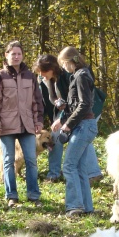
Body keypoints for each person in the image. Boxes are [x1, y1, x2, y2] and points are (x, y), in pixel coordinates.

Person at [0, 40, 44, 208]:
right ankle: (12, 196)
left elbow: (37, 101)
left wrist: (39, 120)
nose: (16, 56)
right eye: (13, 54)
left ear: (22, 55)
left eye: (19, 54)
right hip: (6, 126)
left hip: (27, 125)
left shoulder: (30, 76)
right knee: (8, 161)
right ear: (7, 55)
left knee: (31, 160)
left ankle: (34, 196)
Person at [34, 54, 103, 184]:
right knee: (58, 136)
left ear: (52, 68)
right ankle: (55, 173)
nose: (41, 75)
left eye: (43, 71)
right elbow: (50, 98)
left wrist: (61, 119)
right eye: (39, 72)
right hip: (69, 112)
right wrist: (57, 103)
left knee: (80, 138)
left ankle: (91, 173)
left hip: (86, 112)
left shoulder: (69, 75)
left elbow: (75, 104)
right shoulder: (46, 80)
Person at [53, 46, 98, 217]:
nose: (63, 67)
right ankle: (86, 207)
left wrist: (68, 125)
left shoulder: (81, 76)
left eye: (63, 63)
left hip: (84, 126)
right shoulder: (80, 75)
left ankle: (74, 206)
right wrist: (62, 119)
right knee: (79, 167)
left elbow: (84, 105)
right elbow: (75, 105)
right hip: (84, 124)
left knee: (69, 166)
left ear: (70, 61)